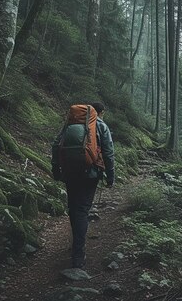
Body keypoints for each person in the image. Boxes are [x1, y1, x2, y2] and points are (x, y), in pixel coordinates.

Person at [52, 102, 115, 269]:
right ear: (98, 112)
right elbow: (108, 152)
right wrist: (110, 175)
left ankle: (76, 244)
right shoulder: (101, 126)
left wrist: (55, 169)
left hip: (69, 171)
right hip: (91, 173)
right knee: (82, 209)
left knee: (73, 207)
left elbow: (56, 145)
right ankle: (78, 254)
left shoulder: (70, 124)